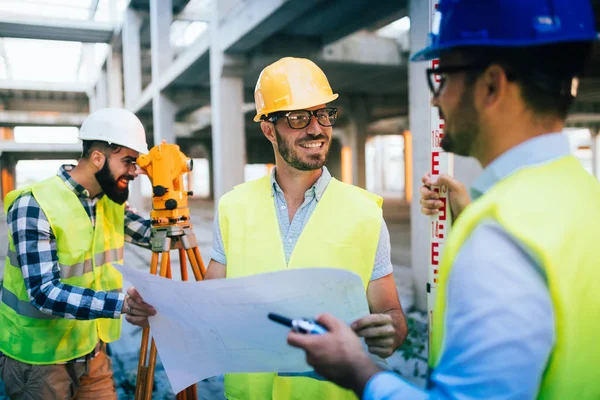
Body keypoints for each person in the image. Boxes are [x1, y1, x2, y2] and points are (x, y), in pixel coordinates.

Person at [285, 0, 600, 399]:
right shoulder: (585, 195)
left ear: (491, 86)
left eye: (442, 78)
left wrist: (359, 370)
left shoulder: (501, 237)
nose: (435, 100)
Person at [126, 56, 408, 399]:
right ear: (268, 129)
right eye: (299, 117)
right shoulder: (233, 207)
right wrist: (158, 312)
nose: (316, 128)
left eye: (323, 114)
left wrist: (391, 329)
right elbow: (209, 307)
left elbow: (390, 312)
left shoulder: (365, 213)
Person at [0, 108, 153, 399]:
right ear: (98, 158)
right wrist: (123, 304)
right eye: (129, 161)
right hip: (39, 362)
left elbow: (154, 236)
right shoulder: (34, 205)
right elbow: (44, 292)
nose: (135, 171)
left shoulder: (109, 202)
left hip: (91, 352)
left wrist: (167, 187)